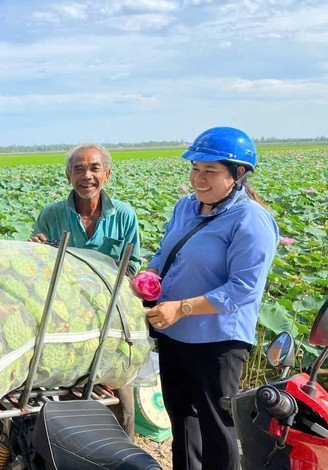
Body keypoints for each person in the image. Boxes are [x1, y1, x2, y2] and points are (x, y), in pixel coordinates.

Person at [144, 127, 279, 470]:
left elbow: (243, 288)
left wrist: (184, 307)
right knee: (183, 421)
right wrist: (151, 275)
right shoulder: (186, 206)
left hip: (217, 340)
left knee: (216, 427)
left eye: (210, 172)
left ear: (239, 174)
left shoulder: (251, 219)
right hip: (174, 334)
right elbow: (164, 253)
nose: (198, 179)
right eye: (194, 169)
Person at [29, 143, 141, 439]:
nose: (86, 176)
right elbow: (38, 269)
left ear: (107, 174)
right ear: (68, 176)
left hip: (112, 322)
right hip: (66, 321)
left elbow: (134, 267)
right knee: (69, 400)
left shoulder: (124, 216)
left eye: (94, 168)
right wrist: (36, 251)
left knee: (123, 407)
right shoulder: (52, 215)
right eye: (78, 169)